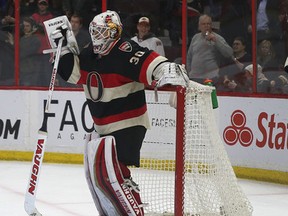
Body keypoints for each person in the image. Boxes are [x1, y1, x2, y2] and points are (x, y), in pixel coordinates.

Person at [45, 10, 188, 215]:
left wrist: (173, 79)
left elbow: (155, 64)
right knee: (100, 176)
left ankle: (134, 210)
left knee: (111, 173)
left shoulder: (125, 49)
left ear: (115, 32)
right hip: (105, 125)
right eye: (95, 31)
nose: (98, 37)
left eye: (103, 32)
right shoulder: (89, 53)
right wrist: (62, 50)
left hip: (128, 124)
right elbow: (74, 74)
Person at [186, 14, 233, 85]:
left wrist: (216, 40)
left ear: (211, 25)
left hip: (211, 78)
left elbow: (229, 53)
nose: (206, 26)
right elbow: (189, 57)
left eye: (208, 24)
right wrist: (190, 72)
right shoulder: (195, 38)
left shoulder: (217, 38)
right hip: (194, 78)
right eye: (203, 24)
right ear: (199, 26)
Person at [19, 17, 41, 86]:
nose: (25, 28)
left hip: (30, 72)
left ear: (32, 27)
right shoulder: (22, 39)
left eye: (27, 26)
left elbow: (24, 53)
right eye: (24, 26)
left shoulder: (35, 40)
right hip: (21, 70)